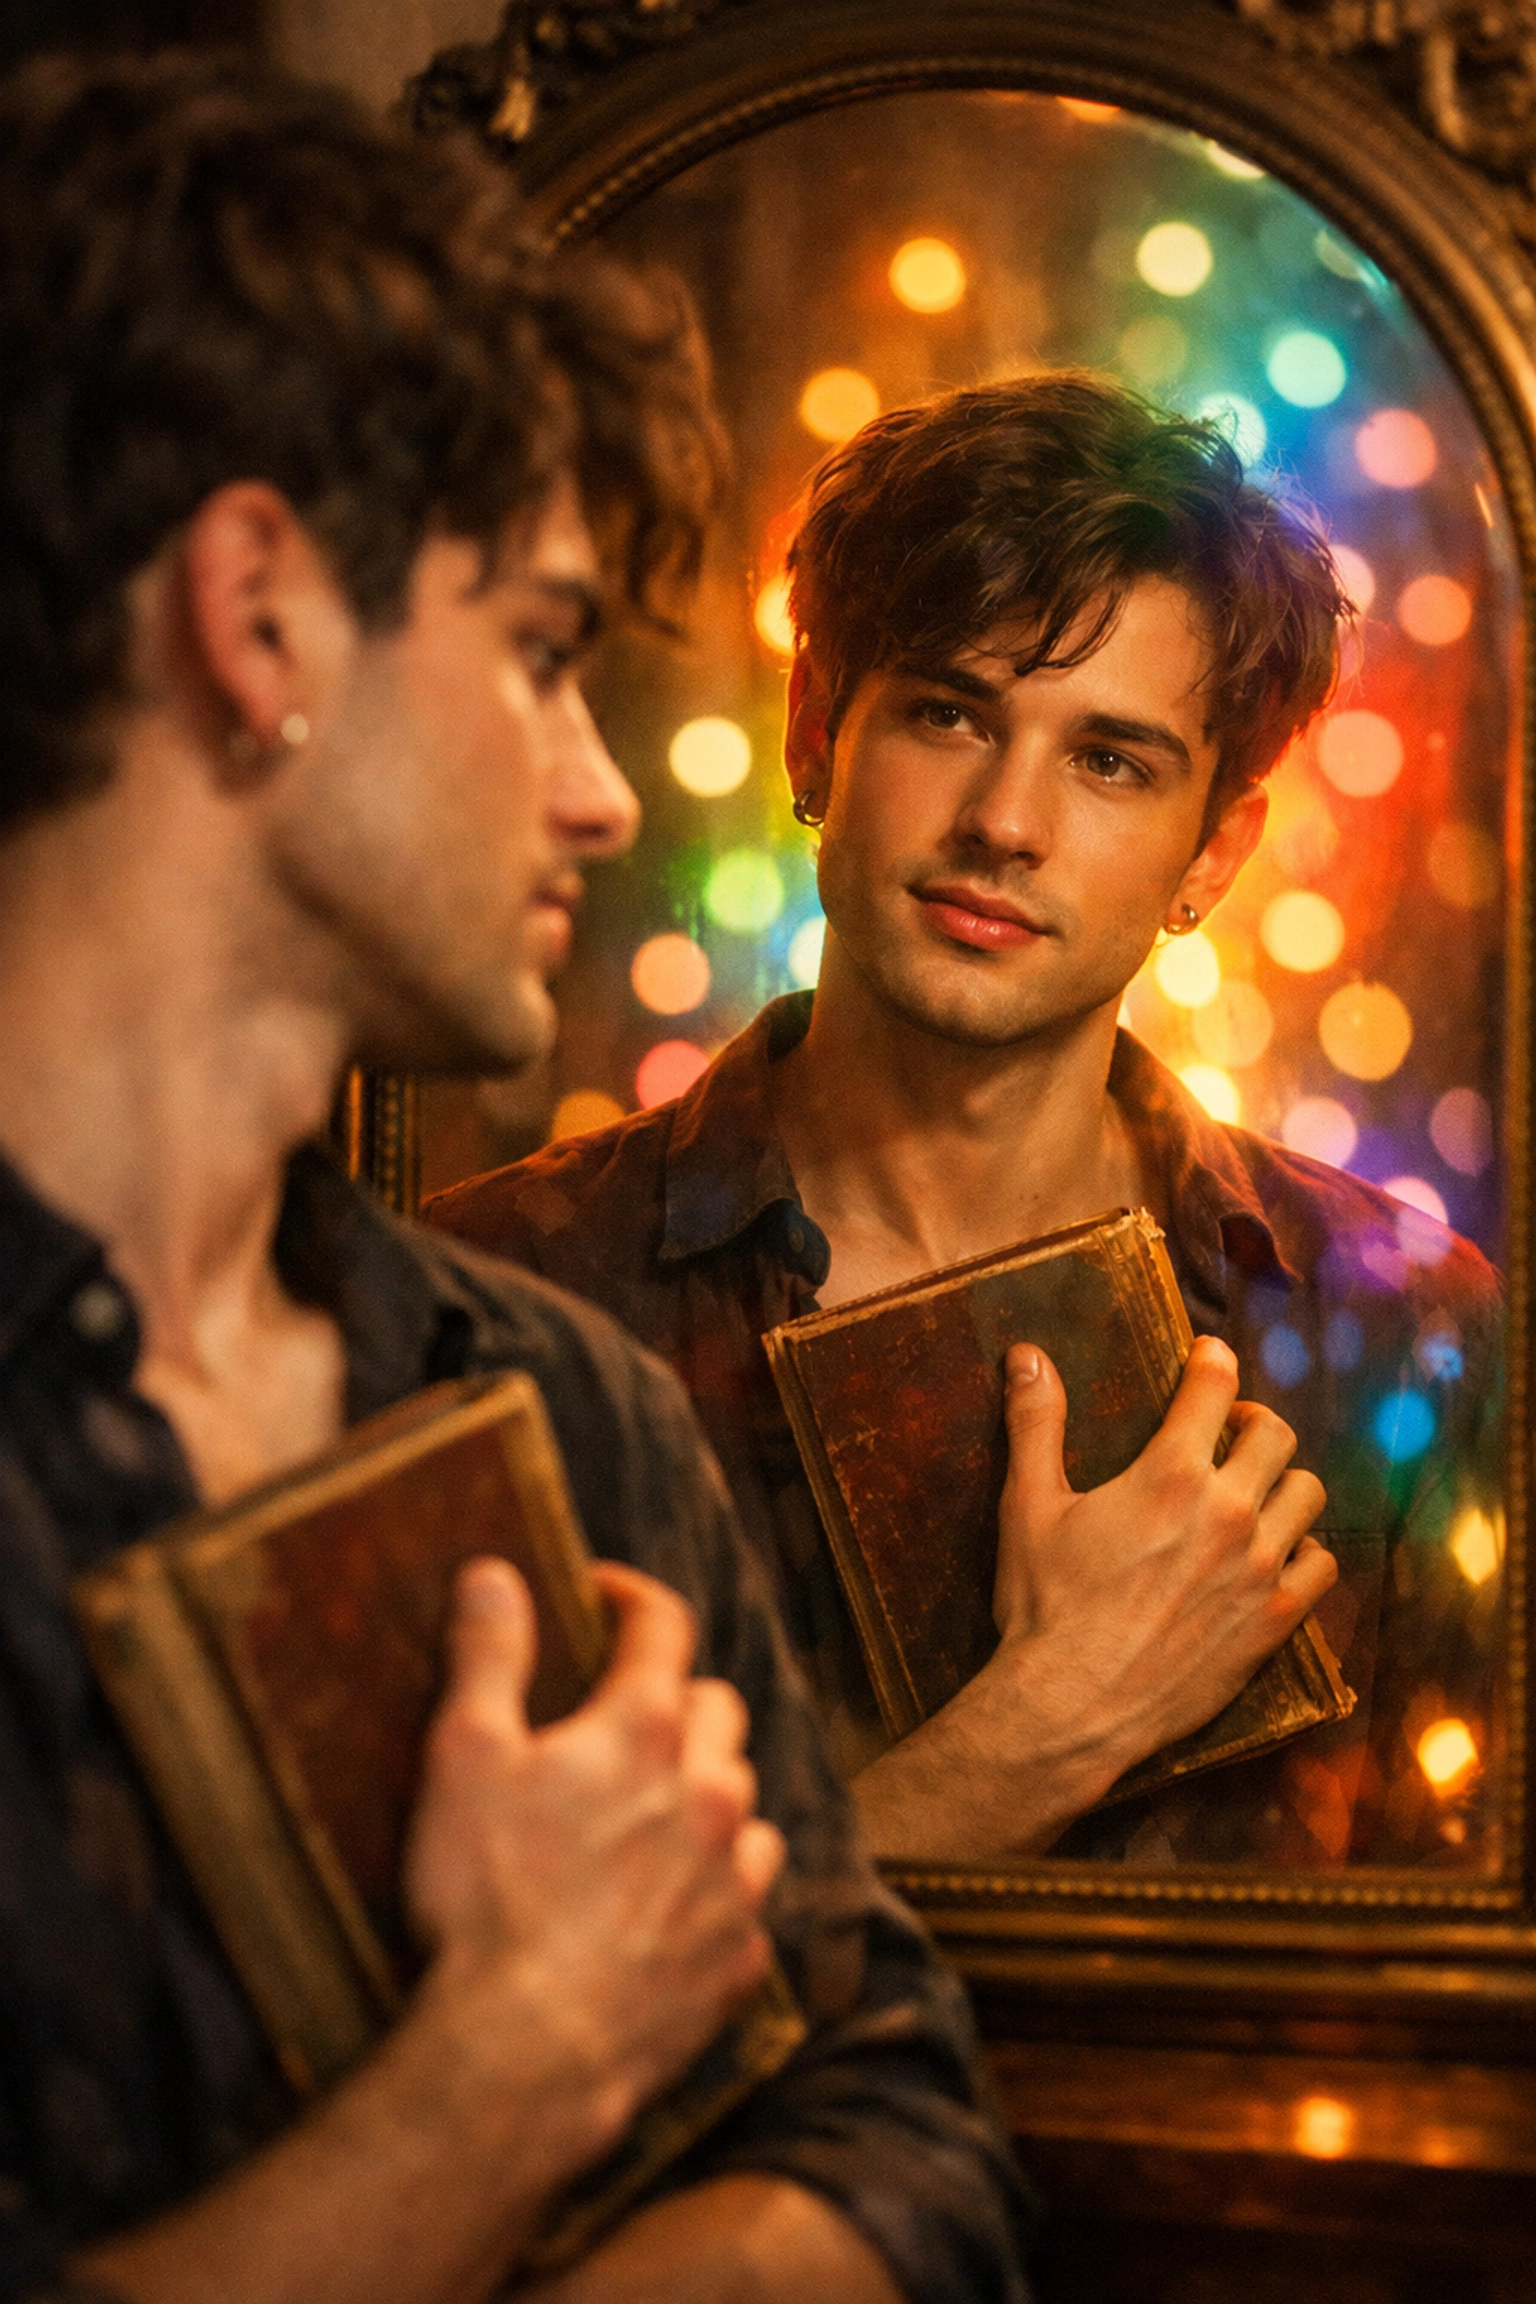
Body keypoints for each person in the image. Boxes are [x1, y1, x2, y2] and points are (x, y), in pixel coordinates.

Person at [0, 51, 1035, 2304]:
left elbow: (913, 2150)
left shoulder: (554, 1404)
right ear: (259, 616)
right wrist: (522, 2063)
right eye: (542, 652)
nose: (590, 789)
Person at [427, 376, 1503, 1873]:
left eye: (1109, 760)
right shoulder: (494, 1303)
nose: (1008, 819)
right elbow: (481, 2026)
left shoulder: (1407, 1335)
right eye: (949, 712)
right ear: (817, 734)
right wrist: (1046, 1727)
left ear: (1217, 852)